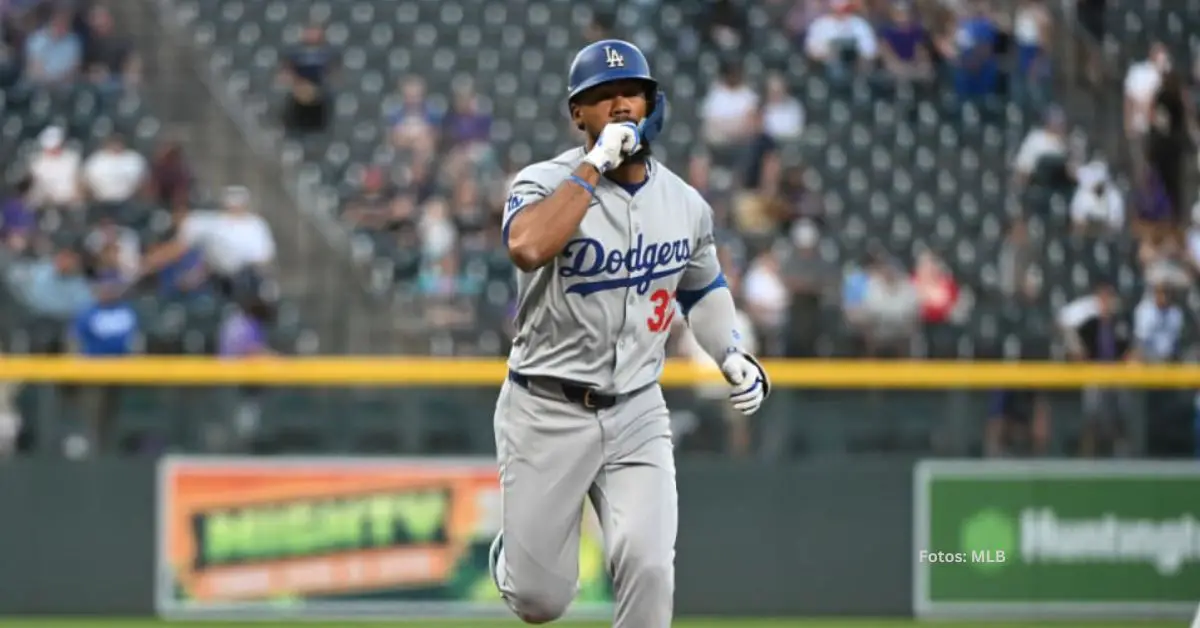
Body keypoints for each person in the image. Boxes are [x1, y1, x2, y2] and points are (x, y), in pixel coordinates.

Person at [489, 40, 771, 628]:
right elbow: (528, 247)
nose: (620, 107)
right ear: (578, 116)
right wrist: (594, 165)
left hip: (638, 408)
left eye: (631, 94)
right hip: (546, 406)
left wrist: (730, 352)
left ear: (653, 104)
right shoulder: (544, 181)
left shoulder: (686, 204)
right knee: (541, 602)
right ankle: (515, 556)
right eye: (602, 98)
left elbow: (703, 287)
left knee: (649, 566)